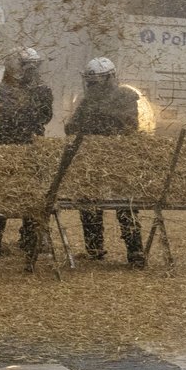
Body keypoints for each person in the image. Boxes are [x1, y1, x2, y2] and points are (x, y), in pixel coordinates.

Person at [65, 57, 146, 266]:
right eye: (90, 81)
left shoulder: (126, 96)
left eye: (96, 81)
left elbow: (128, 124)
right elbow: (71, 128)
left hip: (119, 158)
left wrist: (95, 119)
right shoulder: (87, 102)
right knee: (89, 201)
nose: (92, 86)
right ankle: (94, 248)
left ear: (109, 78)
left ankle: (135, 250)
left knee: (125, 204)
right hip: (92, 160)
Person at [0, 48, 53, 260]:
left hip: (18, 148)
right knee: (13, 193)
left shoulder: (23, 89)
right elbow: (41, 117)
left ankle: (10, 240)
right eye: (30, 67)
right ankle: (4, 240)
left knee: (20, 194)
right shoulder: (13, 89)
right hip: (15, 149)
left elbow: (43, 117)